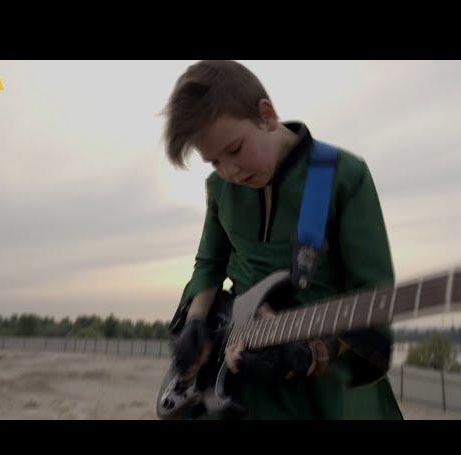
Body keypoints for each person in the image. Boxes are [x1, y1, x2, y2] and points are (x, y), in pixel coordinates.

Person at [161, 60, 403, 420]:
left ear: (267, 114)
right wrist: (195, 323)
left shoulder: (343, 176)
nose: (230, 171)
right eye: (214, 162)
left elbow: (373, 298)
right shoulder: (219, 189)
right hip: (242, 390)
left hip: (329, 398)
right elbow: (209, 265)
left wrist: (308, 355)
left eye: (235, 149)